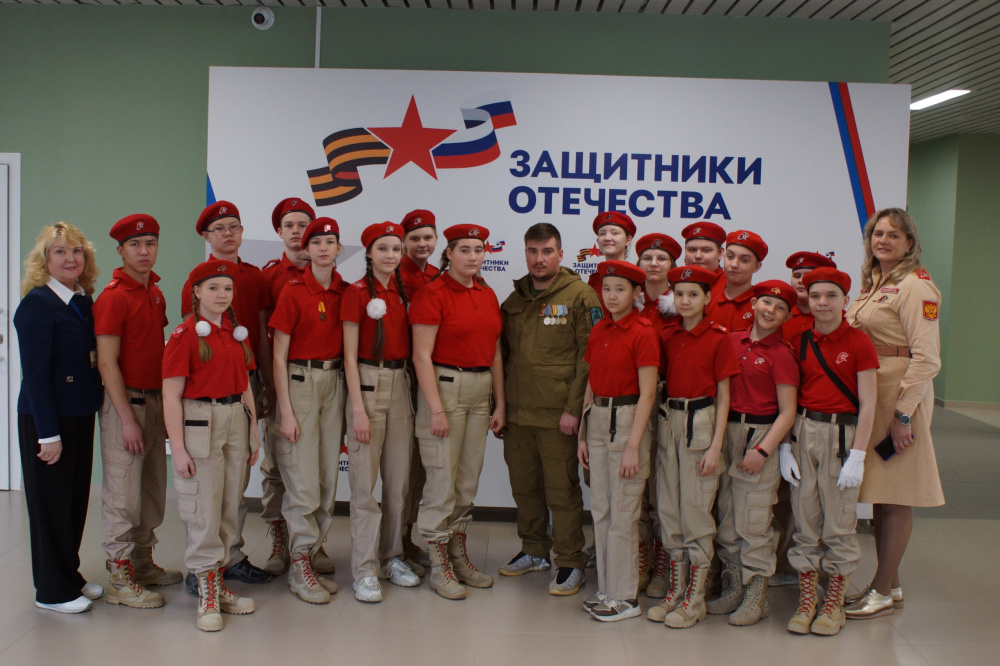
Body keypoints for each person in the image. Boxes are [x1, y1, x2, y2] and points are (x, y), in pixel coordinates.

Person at [844, 208, 944, 619]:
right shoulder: (876, 283)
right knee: (882, 493)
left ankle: (881, 590)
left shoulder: (917, 288)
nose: (883, 240)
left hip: (900, 399)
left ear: (910, 244)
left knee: (897, 495)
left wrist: (903, 416)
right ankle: (891, 583)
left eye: (893, 235)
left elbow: (928, 359)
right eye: (878, 234)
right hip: (877, 393)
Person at [499, 223, 601, 596]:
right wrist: (500, 406)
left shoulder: (581, 296)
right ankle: (534, 550)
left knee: (562, 491)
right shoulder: (515, 299)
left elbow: (589, 358)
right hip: (518, 414)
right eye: (532, 251)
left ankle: (571, 560)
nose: (539, 259)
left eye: (546, 251)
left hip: (558, 415)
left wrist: (575, 409)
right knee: (525, 488)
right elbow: (502, 358)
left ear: (560, 254)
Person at [162, 259, 261, 631]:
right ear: (197, 293)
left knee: (229, 506)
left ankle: (219, 584)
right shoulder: (185, 335)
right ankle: (205, 592)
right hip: (201, 422)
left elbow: (246, 385)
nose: (222, 295)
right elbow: (171, 395)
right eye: (213, 288)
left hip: (236, 419)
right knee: (204, 508)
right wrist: (178, 448)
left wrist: (253, 432)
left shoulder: (236, 334)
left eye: (228, 288)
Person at [409, 224, 505, 600]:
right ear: (448, 253)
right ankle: (439, 566)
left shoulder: (487, 292)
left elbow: (495, 351)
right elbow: (421, 356)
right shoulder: (432, 294)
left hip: (481, 391)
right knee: (442, 481)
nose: (473, 256)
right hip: (445, 389)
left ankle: (456, 555)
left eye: (478, 249)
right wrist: (435, 409)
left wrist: (500, 402)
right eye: (464, 249)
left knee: (466, 482)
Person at [180, 201, 272, 590]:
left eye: (234, 226)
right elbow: (194, 344)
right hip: (209, 395)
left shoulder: (254, 277)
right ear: (206, 236)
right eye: (219, 228)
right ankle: (203, 567)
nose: (228, 233)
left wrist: (264, 382)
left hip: (245, 385)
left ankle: (230, 556)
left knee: (236, 480)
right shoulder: (196, 279)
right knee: (208, 488)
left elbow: (261, 332)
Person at [780, 267, 877, 636]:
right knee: (805, 520)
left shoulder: (859, 342)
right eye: (816, 295)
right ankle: (807, 600)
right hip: (805, 431)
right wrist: (786, 446)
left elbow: (869, 403)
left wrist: (859, 455)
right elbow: (790, 398)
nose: (822, 302)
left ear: (845, 300)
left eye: (831, 295)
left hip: (842, 436)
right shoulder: (799, 341)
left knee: (839, 523)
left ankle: (833, 603)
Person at [15, 222, 104, 614]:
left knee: (72, 502)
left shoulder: (81, 301)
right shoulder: (37, 303)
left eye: (77, 251)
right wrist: (48, 434)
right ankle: (51, 591)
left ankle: (69, 576)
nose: (71, 258)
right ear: (44, 260)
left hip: (79, 414)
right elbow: (35, 375)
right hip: (47, 419)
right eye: (60, 252)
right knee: (50, 506)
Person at [93, 214, 179, 610]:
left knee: (151, 490)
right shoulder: (113, 297)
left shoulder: (154, 292)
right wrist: (127, 419)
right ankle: (119, 576)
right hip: (125, 404)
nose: (144, 251)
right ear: (120, 250)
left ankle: (142, 562)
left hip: (155, 401)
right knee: (123, 493)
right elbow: (106, 362)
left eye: (150, 243)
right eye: (135, 245)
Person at [646, 265, 739, 630]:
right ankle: (676, 589)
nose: (685, 301)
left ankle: (695, 598)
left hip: (701, 423)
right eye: (680, 294)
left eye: (693, 295)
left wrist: (716, 446)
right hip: (670, 419)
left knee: (696, 511)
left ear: (707, 298)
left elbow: (725, 396)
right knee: (669, 507)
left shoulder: (718, 338)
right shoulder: (668, 335)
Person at [708, 280, 799, 626]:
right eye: (765, 303)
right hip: (727, 431)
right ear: (753, 304)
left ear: (787, 316)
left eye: (780, 308)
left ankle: (756, 596)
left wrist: (763, 450)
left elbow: (788, 411)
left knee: (754, 520)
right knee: (728, 519)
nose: (770, 311)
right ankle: (733, 587)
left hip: (759, 435)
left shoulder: (783, 355)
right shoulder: (731, 341)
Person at [268, 217, 348, 605]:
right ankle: (299, 564)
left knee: (328, 476)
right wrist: (285, 410)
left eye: (330, 242)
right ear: (308, 249)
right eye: (316, 242)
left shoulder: (347, 291)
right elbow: (278, 356)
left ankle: (313, 551)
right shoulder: (293, 291)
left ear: (338, 249)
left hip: (336, 382)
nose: (323, 248)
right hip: (300, 382)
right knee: (302, 477)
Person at [342, 221, 421, 603]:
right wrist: (358, 408)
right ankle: (365, 568)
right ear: (369, 253)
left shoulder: (405, 292)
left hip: (401, 383)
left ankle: (392, 557)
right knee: (364, 487)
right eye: (383, 248)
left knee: (398, 482)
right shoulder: (356, 293)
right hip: (368, 384)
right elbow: (348, 356)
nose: (391, 255)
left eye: (396, 249)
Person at [578, 260, 658, 622]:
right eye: (607, 289)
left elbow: (647, 394)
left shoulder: (643, 332)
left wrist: (632, 447)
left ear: (636, 293)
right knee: (601, 510)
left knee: (623, 514)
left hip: (626, 420)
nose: (611, 296)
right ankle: (606, 588)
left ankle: (625, 597)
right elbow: (591, 380)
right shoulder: (600, 329)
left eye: (620, 289)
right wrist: (583, 434)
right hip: (597, 417)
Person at [259, 197, 315, 576]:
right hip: (279, 380)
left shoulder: (326, 273)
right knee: (277, 465)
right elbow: (263, 336)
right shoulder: (269, 277)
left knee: (313, 468)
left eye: (303, 225)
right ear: (279, 231)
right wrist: (268, 386)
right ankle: (280, 538)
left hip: (318, 383)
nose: (296, 231)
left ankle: (311, 544)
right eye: (289, 225)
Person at [633, 232, 681, 598]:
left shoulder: (682, 303)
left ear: (672, 266)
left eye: (661, 258)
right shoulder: (629, 301)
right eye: (647, 257)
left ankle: (664, 562)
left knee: (664, 487)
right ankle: (640, 558)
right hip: (634, 400)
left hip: (670, 400)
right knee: (636, 486)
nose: (654, 263)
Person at [397, 209, 440, 574]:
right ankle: (394, 542)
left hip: (428, 379)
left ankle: (407, 536)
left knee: (420, 469)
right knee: (402, 469)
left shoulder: (437, 276)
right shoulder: (394, 274)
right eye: (415, 238)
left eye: (428, 237)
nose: (422, 244)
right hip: (400, 377)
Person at [710, 230, 767, 332]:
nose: (734, 264)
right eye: (730, 257)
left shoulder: (761, 306)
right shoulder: (707, 298)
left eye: (744, 260)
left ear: (756, 267)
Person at [782, 251, 838, 343]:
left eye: (808, 276)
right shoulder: (780, 314)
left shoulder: (836, 318)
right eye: (797, 276)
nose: (801, 280)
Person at [586, 211, 635, 311]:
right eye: (602, 234)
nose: (607, 238)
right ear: (597, 241)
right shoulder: (594, 280)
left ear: (628, 240)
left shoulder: (636, 277)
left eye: (615, 233)